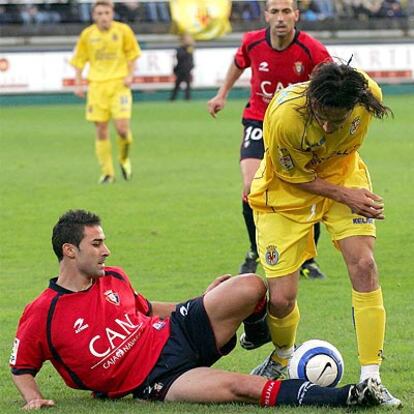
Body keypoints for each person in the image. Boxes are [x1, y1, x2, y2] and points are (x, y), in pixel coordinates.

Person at [10, 209, 383, 410]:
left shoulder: (115, 278)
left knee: (249, 285)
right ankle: (350, 396)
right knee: (242, 388)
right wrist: (32, 398)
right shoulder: (43, 313)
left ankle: (256, 335)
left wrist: (198, 303)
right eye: (97, 243)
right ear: (69, 251)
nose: (106, 251)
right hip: (155, 379)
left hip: (176, 333)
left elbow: (147, 308)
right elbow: (22, 366)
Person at [247, 61, 401, 407]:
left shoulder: (367, 95)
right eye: (322, 115)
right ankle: (283, 354)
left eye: (339, 118)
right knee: (282, 298)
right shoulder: (285, 115)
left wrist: (347, 192)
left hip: (345, 180)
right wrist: (346, 195)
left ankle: (371, 377)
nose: (329, 125)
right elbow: (292, 177)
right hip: (284, 196)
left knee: (364, 265)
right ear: (312, 100)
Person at [207, 0, 331, 281]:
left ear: (296, 15)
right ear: (266, 15)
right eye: (274, 11)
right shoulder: (252, 42)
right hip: (258, 122)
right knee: (251, 188)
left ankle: (308, 258)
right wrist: (222, 94)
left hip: (297, 128)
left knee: (306, 189)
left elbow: (331, 82)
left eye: (286, 11)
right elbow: (238, 64)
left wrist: (326, 116)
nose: (280, 17)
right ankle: (254, 251)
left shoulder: (312, 49)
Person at [70, 0, 141, 184]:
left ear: (112, 13)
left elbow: (133, 54)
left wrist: (130, 75)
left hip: (119, 85)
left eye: (106, 13)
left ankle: (124, 159)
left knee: (122, 130)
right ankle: (108, 173)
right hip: (97, 87)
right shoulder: (87, 35)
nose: (103, 17)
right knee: (101, 130)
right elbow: (79, 61)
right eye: (99, 14)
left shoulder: (123, 31)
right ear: (94, 16)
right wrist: (78, 84)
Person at [170, 33, 195, 101]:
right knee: (177, 85)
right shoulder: (180, 49)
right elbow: (179, 57)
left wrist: (192, 66)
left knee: (188, 86)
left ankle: (188, 98)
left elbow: (191, 59)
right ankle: (172, 99)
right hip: (180, 70)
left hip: (187, 70)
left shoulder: (190, 48)